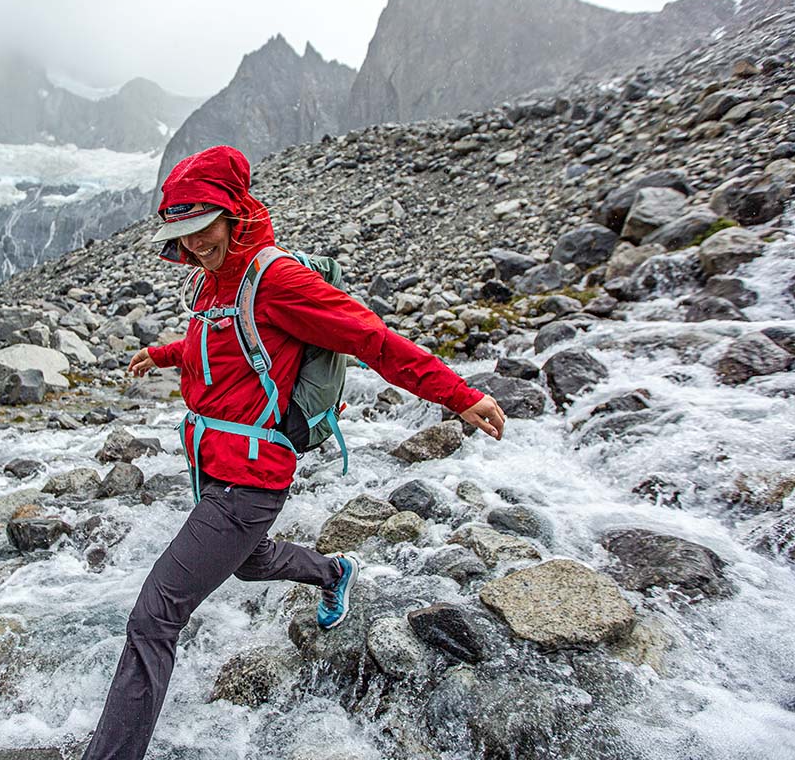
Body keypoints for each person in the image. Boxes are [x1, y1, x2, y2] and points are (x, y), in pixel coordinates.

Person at [81, 145, 504, 760]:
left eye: (202, 229)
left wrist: (457, 395)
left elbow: (372, 339)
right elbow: (219, 345)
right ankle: (334, 572)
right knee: (247, 564)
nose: (193, 244)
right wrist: (164, 354)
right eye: (182, 233)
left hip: (250, 480)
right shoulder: (212, 280)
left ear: (232, 213)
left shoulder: (276, 279)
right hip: (215, 464)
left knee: (154, 619)